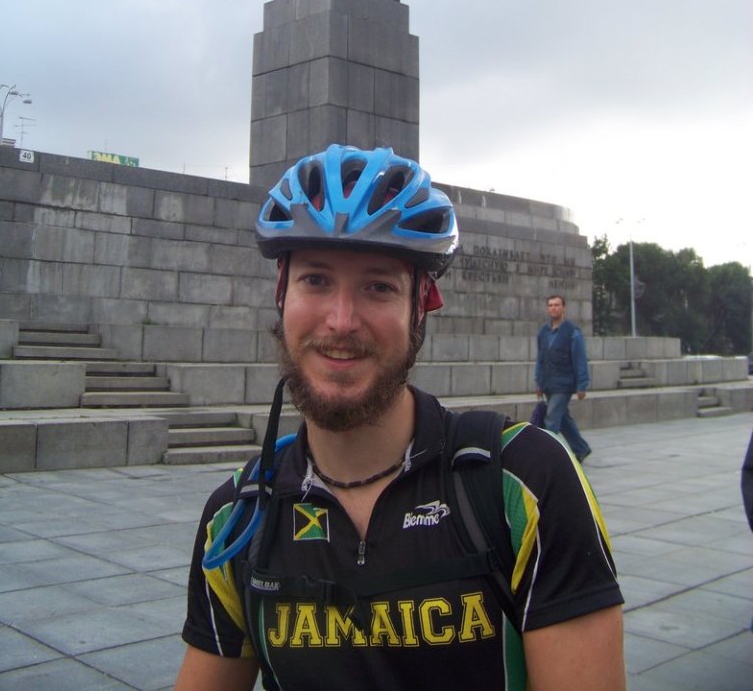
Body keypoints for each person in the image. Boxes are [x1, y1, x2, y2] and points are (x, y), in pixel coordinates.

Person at [175, 145, 625, 691]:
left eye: (379, 286)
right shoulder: (238, 519)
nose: (341, 321)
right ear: (281, 294)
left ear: (420, 308)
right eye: (315, 280)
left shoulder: (527, 484)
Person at [535, 294, 592, 464]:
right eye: (550, 305)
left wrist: (582, 385)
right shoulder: (543, 332)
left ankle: (547, 457)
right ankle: (581, 449)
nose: (553, 308)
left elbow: (580, 359)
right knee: (564, 419)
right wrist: (538, 382)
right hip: (548, 382)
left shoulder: (573, 333)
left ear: (564, 308)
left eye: (557, 305)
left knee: (551, 419)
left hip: (564, 384)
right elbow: (540, 358)